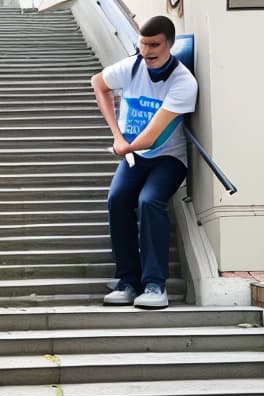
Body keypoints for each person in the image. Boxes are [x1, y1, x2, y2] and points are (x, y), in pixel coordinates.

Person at [91, 15, 198, 309]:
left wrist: (125, 145)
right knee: (118, 198)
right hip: (134, 155)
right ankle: (127, 280)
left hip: (168, 158)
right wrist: (116, 134)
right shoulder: (132, 66)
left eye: (154, 45)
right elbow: (98, 83)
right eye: (142, 44)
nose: (147, 51)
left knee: (150, 201)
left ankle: (154, 285)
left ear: (169, 45)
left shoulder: (183, 82)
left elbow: (152, 136)